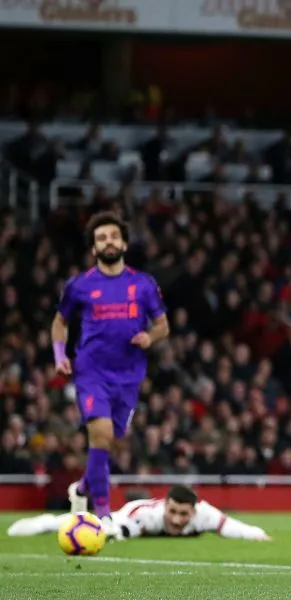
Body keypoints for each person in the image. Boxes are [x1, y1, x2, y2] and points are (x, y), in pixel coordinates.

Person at [52, 211, 170, 536]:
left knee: (110, 442)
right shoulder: (79, 285)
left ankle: (81, 488)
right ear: (94, 248)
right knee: (100, 435)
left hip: (129, 374)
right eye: (102, 238)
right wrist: (60, 355)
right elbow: (59, 323)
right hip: (91, 371)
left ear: (124, 244)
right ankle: (103, 516)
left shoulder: (143, 284)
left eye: (114, 237)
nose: (108, 242)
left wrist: (150, 337)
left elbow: (163, 325)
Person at [7, 485, 270, 540]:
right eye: (173, 511)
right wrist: (112, 535)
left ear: (194, 511)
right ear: (165, 505)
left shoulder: (205, 514)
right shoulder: (149, 516)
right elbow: (122, 530)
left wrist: (259, 535)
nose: (177, 519)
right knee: (91, 524)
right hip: (130, 512)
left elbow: (235, 527)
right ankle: (44, 523)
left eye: (184, 514)